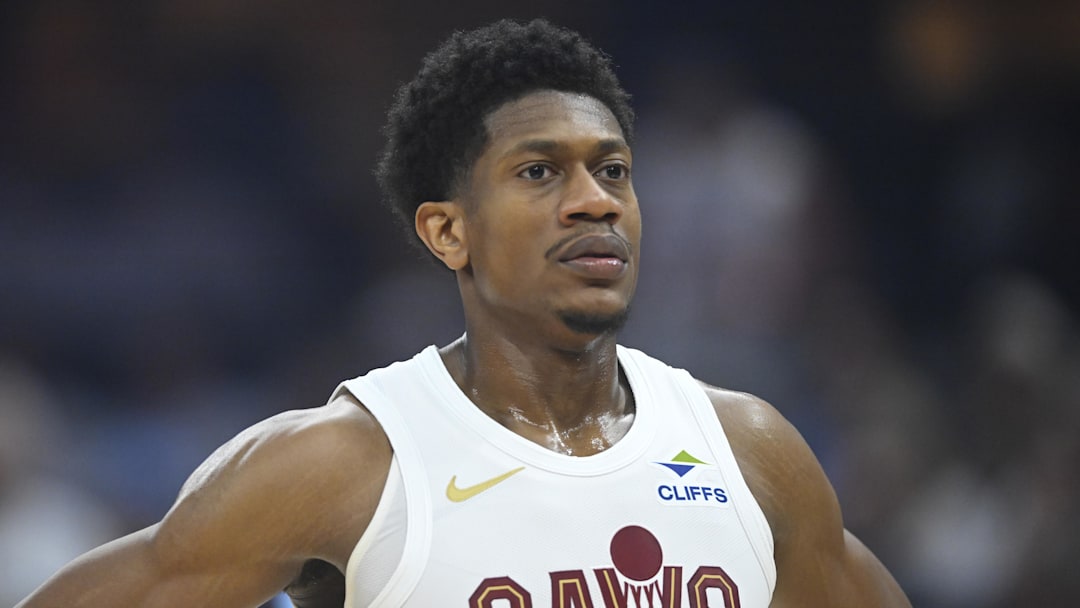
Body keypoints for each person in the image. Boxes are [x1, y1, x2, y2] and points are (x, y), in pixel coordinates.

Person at [17, 19, 911, 608]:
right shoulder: (345, 462)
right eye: (539, 172)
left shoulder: (747, 448)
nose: (593, 200)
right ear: (448, 232)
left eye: (613, 170)